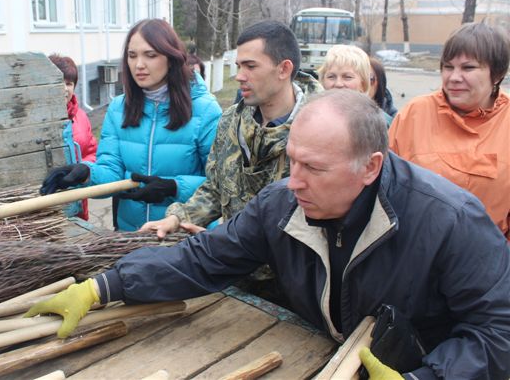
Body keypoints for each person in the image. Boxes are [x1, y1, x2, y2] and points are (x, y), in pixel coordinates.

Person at [25, 89, 510, 379]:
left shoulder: (449, 220)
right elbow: (203, 259)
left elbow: (498, 332)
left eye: (313, 168)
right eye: (292, 159)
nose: (293, 179)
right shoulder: (284, 203)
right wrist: (105, 285)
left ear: (370, 168)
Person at [40, 19, 222, 231]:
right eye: (132, 55)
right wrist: (87, 173)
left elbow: (219, 184)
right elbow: (112, 172)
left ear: (171, 58)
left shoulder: (206, 110)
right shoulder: (119, 108)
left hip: (186, 237)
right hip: (132, 235)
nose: (139, 65)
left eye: (150, 55)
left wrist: (173, 187)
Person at [140, 20, 305, 238]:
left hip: (288, 270)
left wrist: (228, 245)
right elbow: (216, 188)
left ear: (284, 69)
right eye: (238, 66)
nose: (239, 76)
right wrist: (178, 218)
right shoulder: (231, 121)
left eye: (250, 66)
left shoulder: (318, 130)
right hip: (231, 265)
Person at [389, 22, 510, 239]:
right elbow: (384, 185)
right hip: (416, 253)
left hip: (486, 262)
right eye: (448, 66)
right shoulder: (415, 114)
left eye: (468, 68)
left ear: (497, 73)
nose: (454, 77)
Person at [48, 54, 98, 221]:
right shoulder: (36, 121)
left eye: (69, 83)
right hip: (48, 198)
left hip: (77, 195)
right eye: (59, 82)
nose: (64, 88)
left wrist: (82, 169)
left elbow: (93, 152)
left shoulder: (81, 117)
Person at [318, 45, 393, 126]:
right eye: (331, 77)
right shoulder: (311, 119)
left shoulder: (380, 124)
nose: (338, 84)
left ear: (363, 84)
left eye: (347, 77)